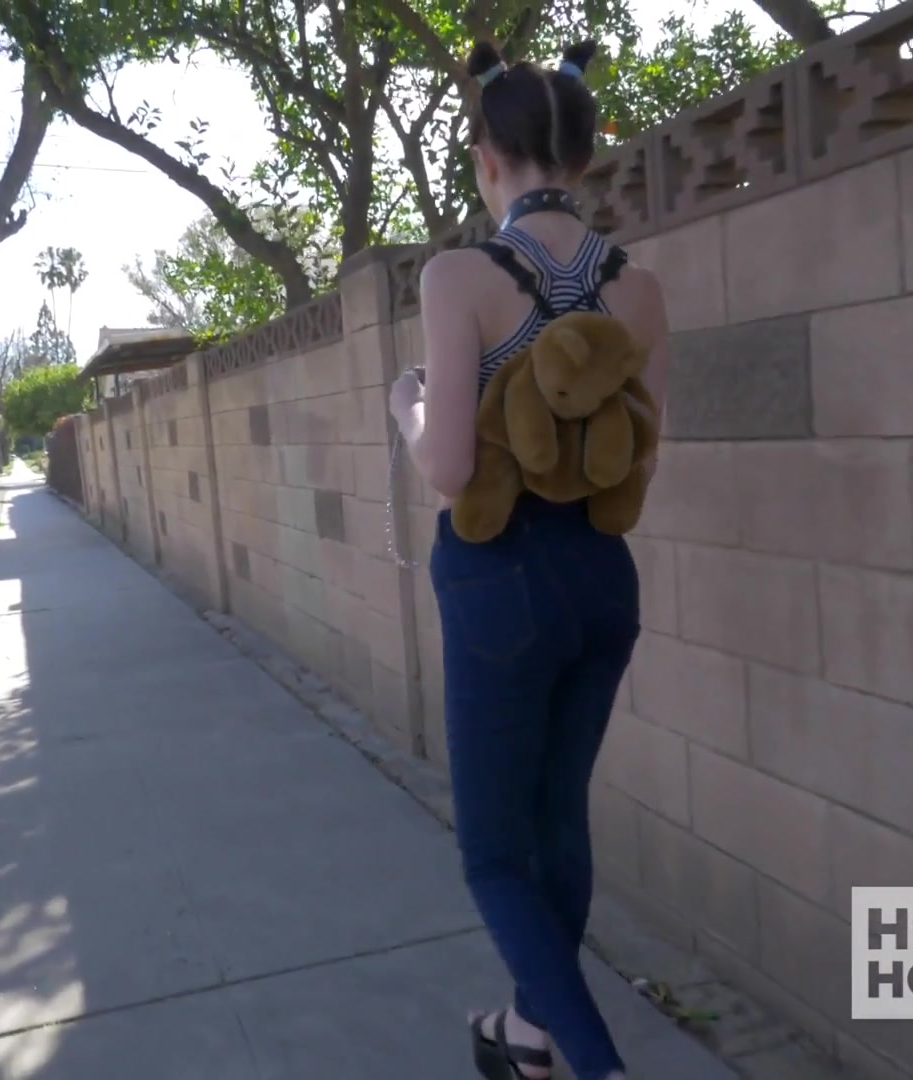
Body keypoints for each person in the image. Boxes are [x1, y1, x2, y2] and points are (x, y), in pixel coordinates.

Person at [388, 37, 670, 1080]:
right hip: (602, 578)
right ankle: (529, 1037)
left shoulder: (461, 276)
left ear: (485, 158)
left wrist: (408, 406)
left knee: (497, 856)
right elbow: (639, 458)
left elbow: (450, 470)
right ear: (584, 159)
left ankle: (596, 1064)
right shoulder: (639, 289)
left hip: (498, 578)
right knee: (559, 828)